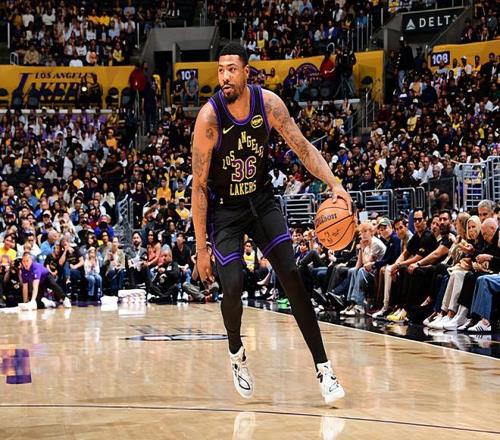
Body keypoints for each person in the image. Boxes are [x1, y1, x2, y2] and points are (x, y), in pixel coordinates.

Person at [191, 43, 352, 404]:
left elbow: (303, 147)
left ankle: (324, 368)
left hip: (261, 201)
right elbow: (198, 187)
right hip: (225, 211)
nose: (225, 77)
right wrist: (201, 248)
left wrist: (335, 184)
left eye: (232, 69)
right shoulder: (209, 118)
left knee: (292, 277)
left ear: (246, 72)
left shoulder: (269, 105)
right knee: (233, 286)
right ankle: (236, 352)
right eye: (220, 70)